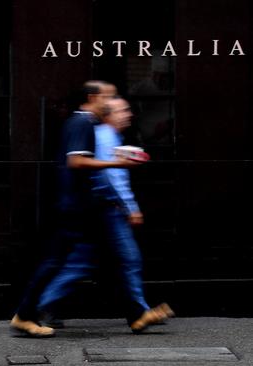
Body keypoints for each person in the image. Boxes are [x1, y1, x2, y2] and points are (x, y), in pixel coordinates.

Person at [10, 81, 139, 337]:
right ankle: (26, 315)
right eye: (107, 96)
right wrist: (116, 163)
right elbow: (77, 161)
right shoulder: (82, 123)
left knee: (64, 261)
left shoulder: (84, 123)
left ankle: (27, 314)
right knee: (58, 262)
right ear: (92, 97)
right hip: (74, 208)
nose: (110, 101)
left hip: (76, 206)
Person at [92, 97, 174, 332]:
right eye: (123, 110)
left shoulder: (110, 136)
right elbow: (113, 176)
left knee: (87, 261)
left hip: (105, 207)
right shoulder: (107, 136)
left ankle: (138, 312)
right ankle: (139, 314)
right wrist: (131, 207)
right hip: (110, 209)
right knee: (128, 259)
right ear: (108, 115)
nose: (128, 114)